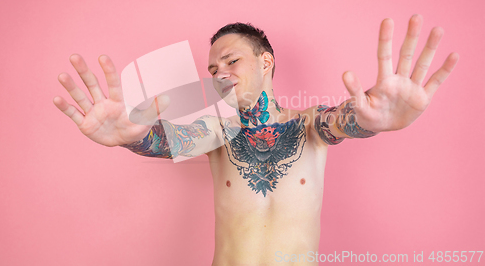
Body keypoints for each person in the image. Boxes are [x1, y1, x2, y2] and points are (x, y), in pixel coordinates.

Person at [53, 14, 459, 265]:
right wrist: (130, 136)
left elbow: (344, 121)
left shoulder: (309, 125)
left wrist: (377, 120)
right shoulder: (215, 133)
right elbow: (161, 141)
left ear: (266, 62)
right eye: (213, 67)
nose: (221, 72)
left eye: (232, 60)